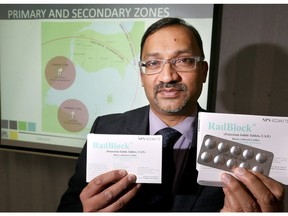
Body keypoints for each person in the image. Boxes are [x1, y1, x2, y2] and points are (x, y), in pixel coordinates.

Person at [57, 17, 285, 212]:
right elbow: (68, 206)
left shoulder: (241, 146)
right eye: (154, 63)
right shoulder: (105, 129)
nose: (167, 77)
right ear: (142, 75)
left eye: (183, 60)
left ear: (204, 71)